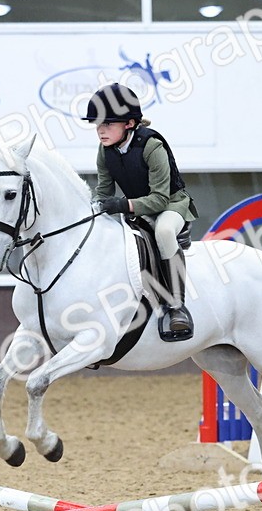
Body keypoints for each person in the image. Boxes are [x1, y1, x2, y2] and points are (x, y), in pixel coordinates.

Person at [85, 83, 199, 338]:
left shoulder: (151, 146)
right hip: (136, 207)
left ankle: (177, 306)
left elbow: (159, 199)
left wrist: (123, 205)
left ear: (129, 123)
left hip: (170, 205)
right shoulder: (105, 151)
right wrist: (93, 210)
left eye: (108, 124)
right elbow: (104, 190)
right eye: (97, 125)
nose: (101, 130)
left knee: (165, 232)